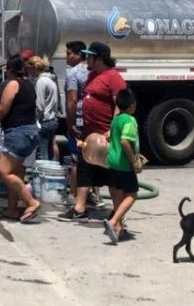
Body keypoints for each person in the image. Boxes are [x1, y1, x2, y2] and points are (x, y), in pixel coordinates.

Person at [59, 42, 126, 222]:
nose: (86, 59)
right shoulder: (92, 76)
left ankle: (117, 213)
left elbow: (120, 106)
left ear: (99, 58)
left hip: (106, 136)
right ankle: (79, 208)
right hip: (88, 134)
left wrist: (112, 131)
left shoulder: (113, 77)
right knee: (84, 170)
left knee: (112, 175)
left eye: (89, 56)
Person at [0, 55, 41, 223]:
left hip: (18, 133)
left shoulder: (13, 84)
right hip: (30, 132)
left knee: (2, 171)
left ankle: (31, 202)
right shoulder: (28, 84)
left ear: (8, 70)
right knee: (16, 172)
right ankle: (12, 209)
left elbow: (2, 110)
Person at [103, 89, 142, 245]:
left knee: (119, 193)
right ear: (132, 105)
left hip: (112, 161)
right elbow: (125, 141)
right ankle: (113, 221)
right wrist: (134, 161)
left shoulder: (116, 119)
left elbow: (110, 136)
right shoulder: (130, 120)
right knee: (132, 194)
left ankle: (118, 228)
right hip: (124, 163)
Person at [63, 41, 88, 200]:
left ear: (79, 55)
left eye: (69, 53)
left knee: (75, 160)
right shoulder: (92, 71)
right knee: (91, 157)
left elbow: (72, 99)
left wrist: (70, 123)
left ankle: (73, 195)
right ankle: (92, 194)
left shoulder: (73, 73)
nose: (66, 56)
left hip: (78, 120)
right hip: (90, 119)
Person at [26, 56, 59, 161]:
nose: (28, 71)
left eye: (29, 68)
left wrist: (36, 120)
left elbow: (39, 105)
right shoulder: (51, 80)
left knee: (41, 153)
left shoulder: (41, 82)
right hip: (53, 119)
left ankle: (43, 176)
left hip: (44, 121)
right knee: (49, 151)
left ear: (34, 68)